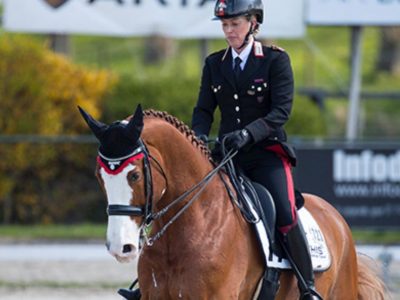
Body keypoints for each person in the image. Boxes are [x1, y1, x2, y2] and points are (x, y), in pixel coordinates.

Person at [191, 0, 322, 299]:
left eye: (234, 24)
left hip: (265, 155)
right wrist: (198, 136)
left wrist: (248, 134)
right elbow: (203, 110)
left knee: (286, 212)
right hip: (226, 156)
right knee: (187, 204)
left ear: (253, 22)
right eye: (224, 25)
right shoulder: (214, 64)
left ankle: (307, 287)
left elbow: (280, 112)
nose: (228, 31)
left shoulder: (275, 60)